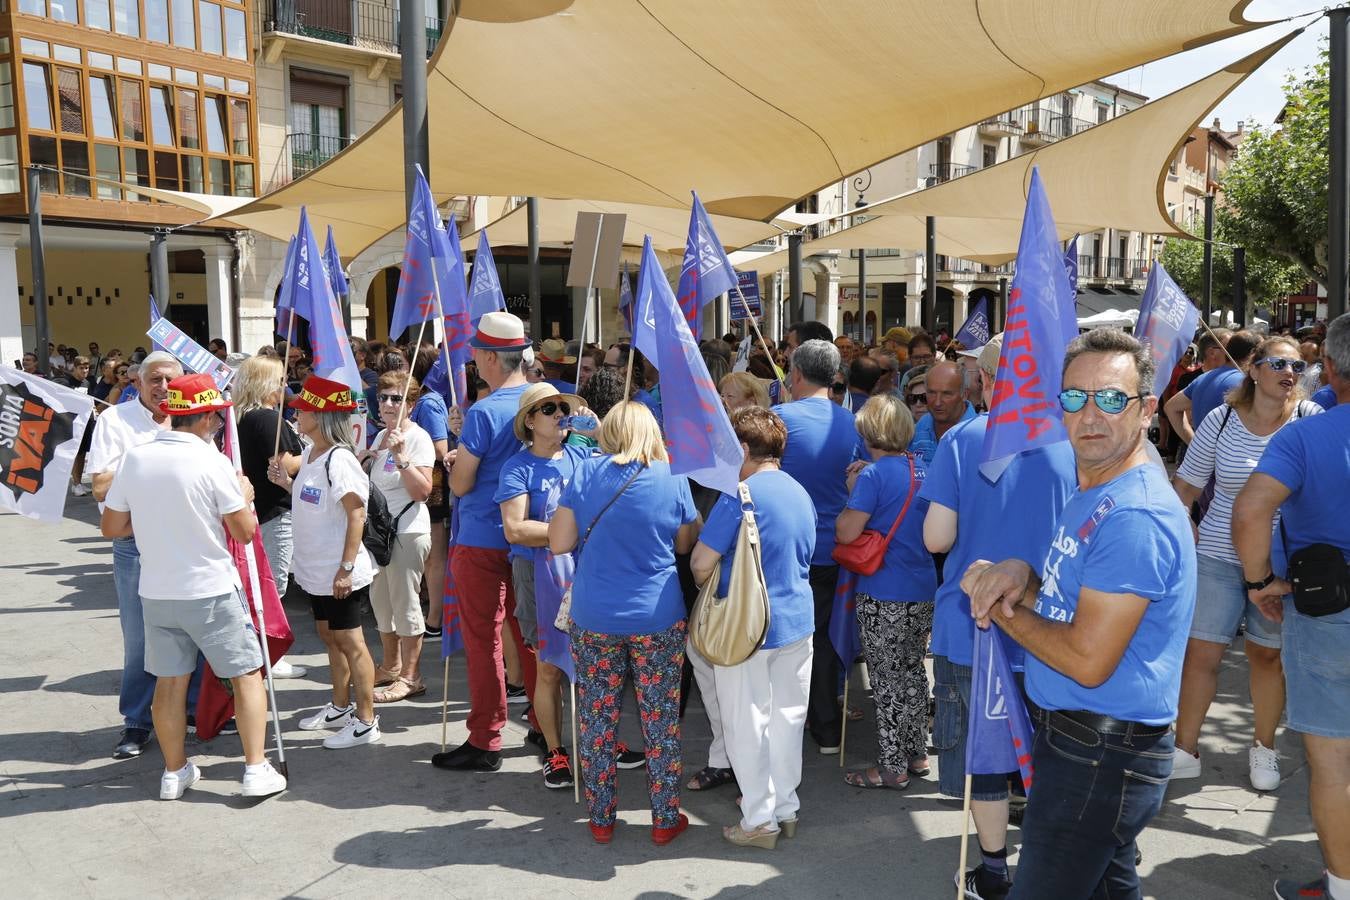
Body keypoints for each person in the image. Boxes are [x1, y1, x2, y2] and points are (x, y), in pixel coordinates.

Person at [963, 328, 1196, 899]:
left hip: (1101, 755)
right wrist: (1022, 572)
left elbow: (1088, 659)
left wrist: (999, 602)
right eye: (1075, 397)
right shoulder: (1095, 486)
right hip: (1087, 746)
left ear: (1145, 412)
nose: (1091, 414)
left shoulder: (1134, 513)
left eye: (1112, 398)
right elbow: (1072, 601)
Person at [920, 334, 1077, 900]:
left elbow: (937, 537)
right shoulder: (1073, 442)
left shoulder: (965, 439)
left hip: (975, 625)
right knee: (1057, 750)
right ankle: (1048, 861)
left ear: (985, 381)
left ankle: (992, 869)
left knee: (986, 753)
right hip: (1056, 627)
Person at [100, 374, 286, 799]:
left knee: (169, 683)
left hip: (158, 590)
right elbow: (243, 531)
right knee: (246, 677)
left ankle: (173, 771)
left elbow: (111, 526)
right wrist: (246, 495)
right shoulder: (212, 461)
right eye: (217, 419)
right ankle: (255, 768)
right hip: (211, 589)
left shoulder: (136, 458)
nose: (219, 425)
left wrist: (152, 523)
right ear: (205, 418)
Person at [1171, 336, 1323, 790]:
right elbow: (1186, 489)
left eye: (1296, 366)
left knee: (1266, 656)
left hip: (1279, 566)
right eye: (1278, 363)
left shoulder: (1307, 420)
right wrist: (1186, 528)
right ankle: (1185, 748)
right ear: (1254, 370)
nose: (1289, 373)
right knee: (1201, 654)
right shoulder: (1220, 420)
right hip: (1216, 555)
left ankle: (1265, 750)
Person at [1234, 313, 1350, 900]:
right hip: (1328, 611)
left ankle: (1342, 888)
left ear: (1328, 366)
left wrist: (1260, 583)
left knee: (1333, 764)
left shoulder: (1306, 436)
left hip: (1330, 615)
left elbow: (1251, 510)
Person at [549, 401, 699, 845]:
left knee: (598, 716)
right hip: (657, 614)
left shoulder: (585, 473)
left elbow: (559, 541)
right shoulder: (670, 475)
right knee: (660, 718)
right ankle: (664, 818)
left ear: (607, 431)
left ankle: (600, 817)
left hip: (594, 614)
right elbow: (685, 542)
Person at [691, 407, 815, 849]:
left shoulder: (740, 494)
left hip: (748, 626)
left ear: (744, 448)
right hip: (798, 620)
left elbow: (701, 563)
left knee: (746, 723)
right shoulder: (800, 492)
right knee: (787, 719)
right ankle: (785, 807)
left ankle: (759, 819)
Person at [434, 312, 537, 772]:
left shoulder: (486, 411)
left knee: (483, 639)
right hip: (533, 534)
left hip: (481, 536)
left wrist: (458, 452)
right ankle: (543, 722)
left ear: (492, 357)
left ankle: (486, 738)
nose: (473, 358)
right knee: (531, 636)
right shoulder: (546, 400)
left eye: (477, 351)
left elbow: (459, 485)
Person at [269, 375, 381, 750]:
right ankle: (339, 706)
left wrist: (346, 568)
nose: (296, 412)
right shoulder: (314, 455)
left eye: (304, 408)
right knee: (330, 638)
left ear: (322, 415)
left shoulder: (340, 458)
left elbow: (356, 513)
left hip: (338, 571)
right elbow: (317, 501)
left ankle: (366, 720)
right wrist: (287, 483)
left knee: (352, 642)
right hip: (317, 570)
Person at [87, 351, 187, 759]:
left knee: (191, 630)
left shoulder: (192, 415)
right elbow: (99, 486)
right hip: (135, 543)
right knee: (139, 638)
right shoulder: (116, 420)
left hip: (186, 539)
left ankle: (194, 713)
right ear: (138, 382)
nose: (164, 388)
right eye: (156, 380)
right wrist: (152, 458)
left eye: (170, 380)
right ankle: (136, 721)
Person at [495, 382, 593, 789]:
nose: (559, 414)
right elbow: (515, 528)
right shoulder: (517, 468)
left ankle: (598, 742)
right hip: (538, 575)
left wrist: (597, 428)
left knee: (593, 665)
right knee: (549, 667)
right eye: (549, 409)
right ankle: (555, 750)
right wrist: (564, 531)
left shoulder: (582, 453)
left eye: (561, 407)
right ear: (530, 422)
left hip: (585, 571)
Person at [837, 394, 936, 791]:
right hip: (922, 586)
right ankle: (915, 752)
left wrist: (851, 487)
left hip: (884, 590)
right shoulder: (922, 467)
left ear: (869, 433)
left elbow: (846, 531)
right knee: (912, 672)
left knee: (885, 680)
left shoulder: (873, 477)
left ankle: (891, 766)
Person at [771, 338, 862, 755]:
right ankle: (826, 726)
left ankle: (781, 727)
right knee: (824, 639)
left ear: (797, 374)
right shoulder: (853, 423)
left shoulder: (780, 420)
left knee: (780, 639)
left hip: (786, 549)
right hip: (834, 549)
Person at [232, 355, 307, 681]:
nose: (284, 386)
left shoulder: (246, 417)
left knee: (265, 587)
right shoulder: (265, 418)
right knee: (271, 590)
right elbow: (283, 464)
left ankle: (262, 655)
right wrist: (316, 454)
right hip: (274, 511)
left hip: (260, 510)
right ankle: (267, 657)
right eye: (279, 380)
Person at [362, 370, 435, 702]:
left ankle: (411, 676)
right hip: (379, 534)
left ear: (411, 404)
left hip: (407, 530)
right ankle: (391, 666)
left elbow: (423, 491)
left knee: (406, 604)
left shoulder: (417, 437)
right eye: (383, 397)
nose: (388, 404)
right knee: (382, 603)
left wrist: (401, 458)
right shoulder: (379, 437)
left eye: (397, 398)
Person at [1164, 329, 1259, 446]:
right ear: (1253, 355)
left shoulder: (1201, 378)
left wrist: (1196, 445)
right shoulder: (1244, 383)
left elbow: (1171, 407)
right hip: (1229, 459)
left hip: (1204, 457)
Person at [909, 361, 976, 464]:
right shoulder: (921, 426)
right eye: (932, 393)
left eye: (947, 394)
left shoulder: (979, 434)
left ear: (965, 394)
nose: (937, 402)